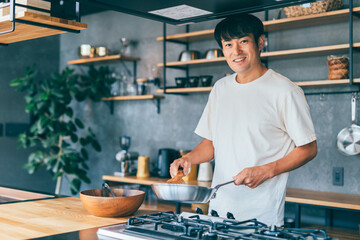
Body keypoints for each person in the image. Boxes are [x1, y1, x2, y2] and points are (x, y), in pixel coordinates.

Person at [170, 13, 317, 226]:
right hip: (218, 212)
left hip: (262, 217)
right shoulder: (220, 89)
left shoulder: (285, 91)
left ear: (259, 42)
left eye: (243, 42)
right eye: (228, 44)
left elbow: (309, 148)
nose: (236, 51)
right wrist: (188, 159)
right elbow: (211, 143)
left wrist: (266, 171)